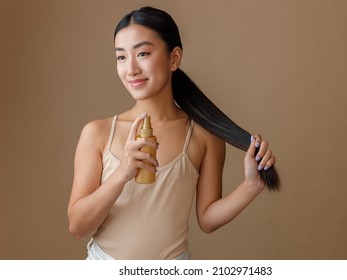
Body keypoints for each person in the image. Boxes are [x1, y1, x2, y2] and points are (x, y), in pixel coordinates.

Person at [67, 6, 280, 260]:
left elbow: (207, 219)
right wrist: (122, 172)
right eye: (121, 57)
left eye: (143, 53)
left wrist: (251, 185)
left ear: (174, 58)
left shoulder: (202, 134)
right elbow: (78, 227)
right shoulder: (98, 133)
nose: (131, 69)